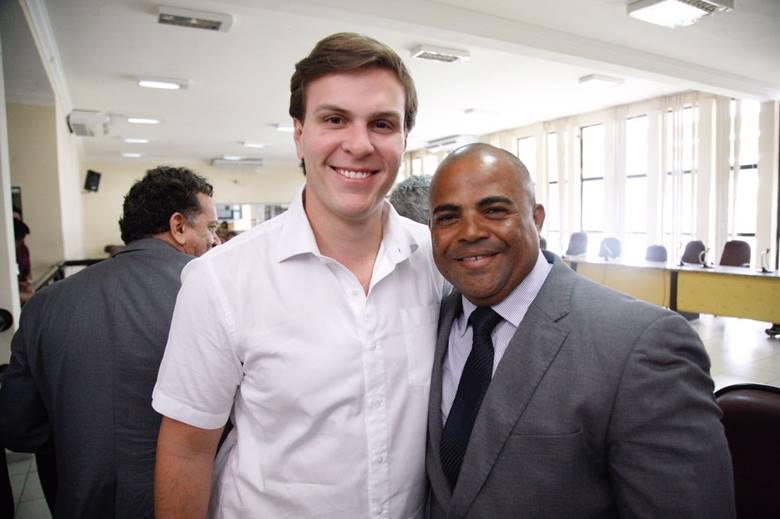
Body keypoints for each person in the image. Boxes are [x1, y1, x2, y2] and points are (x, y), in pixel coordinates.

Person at [151, 33, 445, 518]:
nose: (359, 144)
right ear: (299, 134)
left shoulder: (436, 261)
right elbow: (187, 450)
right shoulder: (221, 280)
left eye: (382, 123)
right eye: (334, 119)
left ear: (403, 140)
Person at [425, 143, 735, 519]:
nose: (470, 231)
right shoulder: (429, 324)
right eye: (448, 217)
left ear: (536, 218)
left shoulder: (642, 344)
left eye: (494, 210)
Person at [0, 166, 220, 518]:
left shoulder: (45, 304)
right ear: (179, 226)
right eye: (210, 227)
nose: (216, 240)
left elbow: (18, 427)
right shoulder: (214, 300)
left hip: (78, 502)